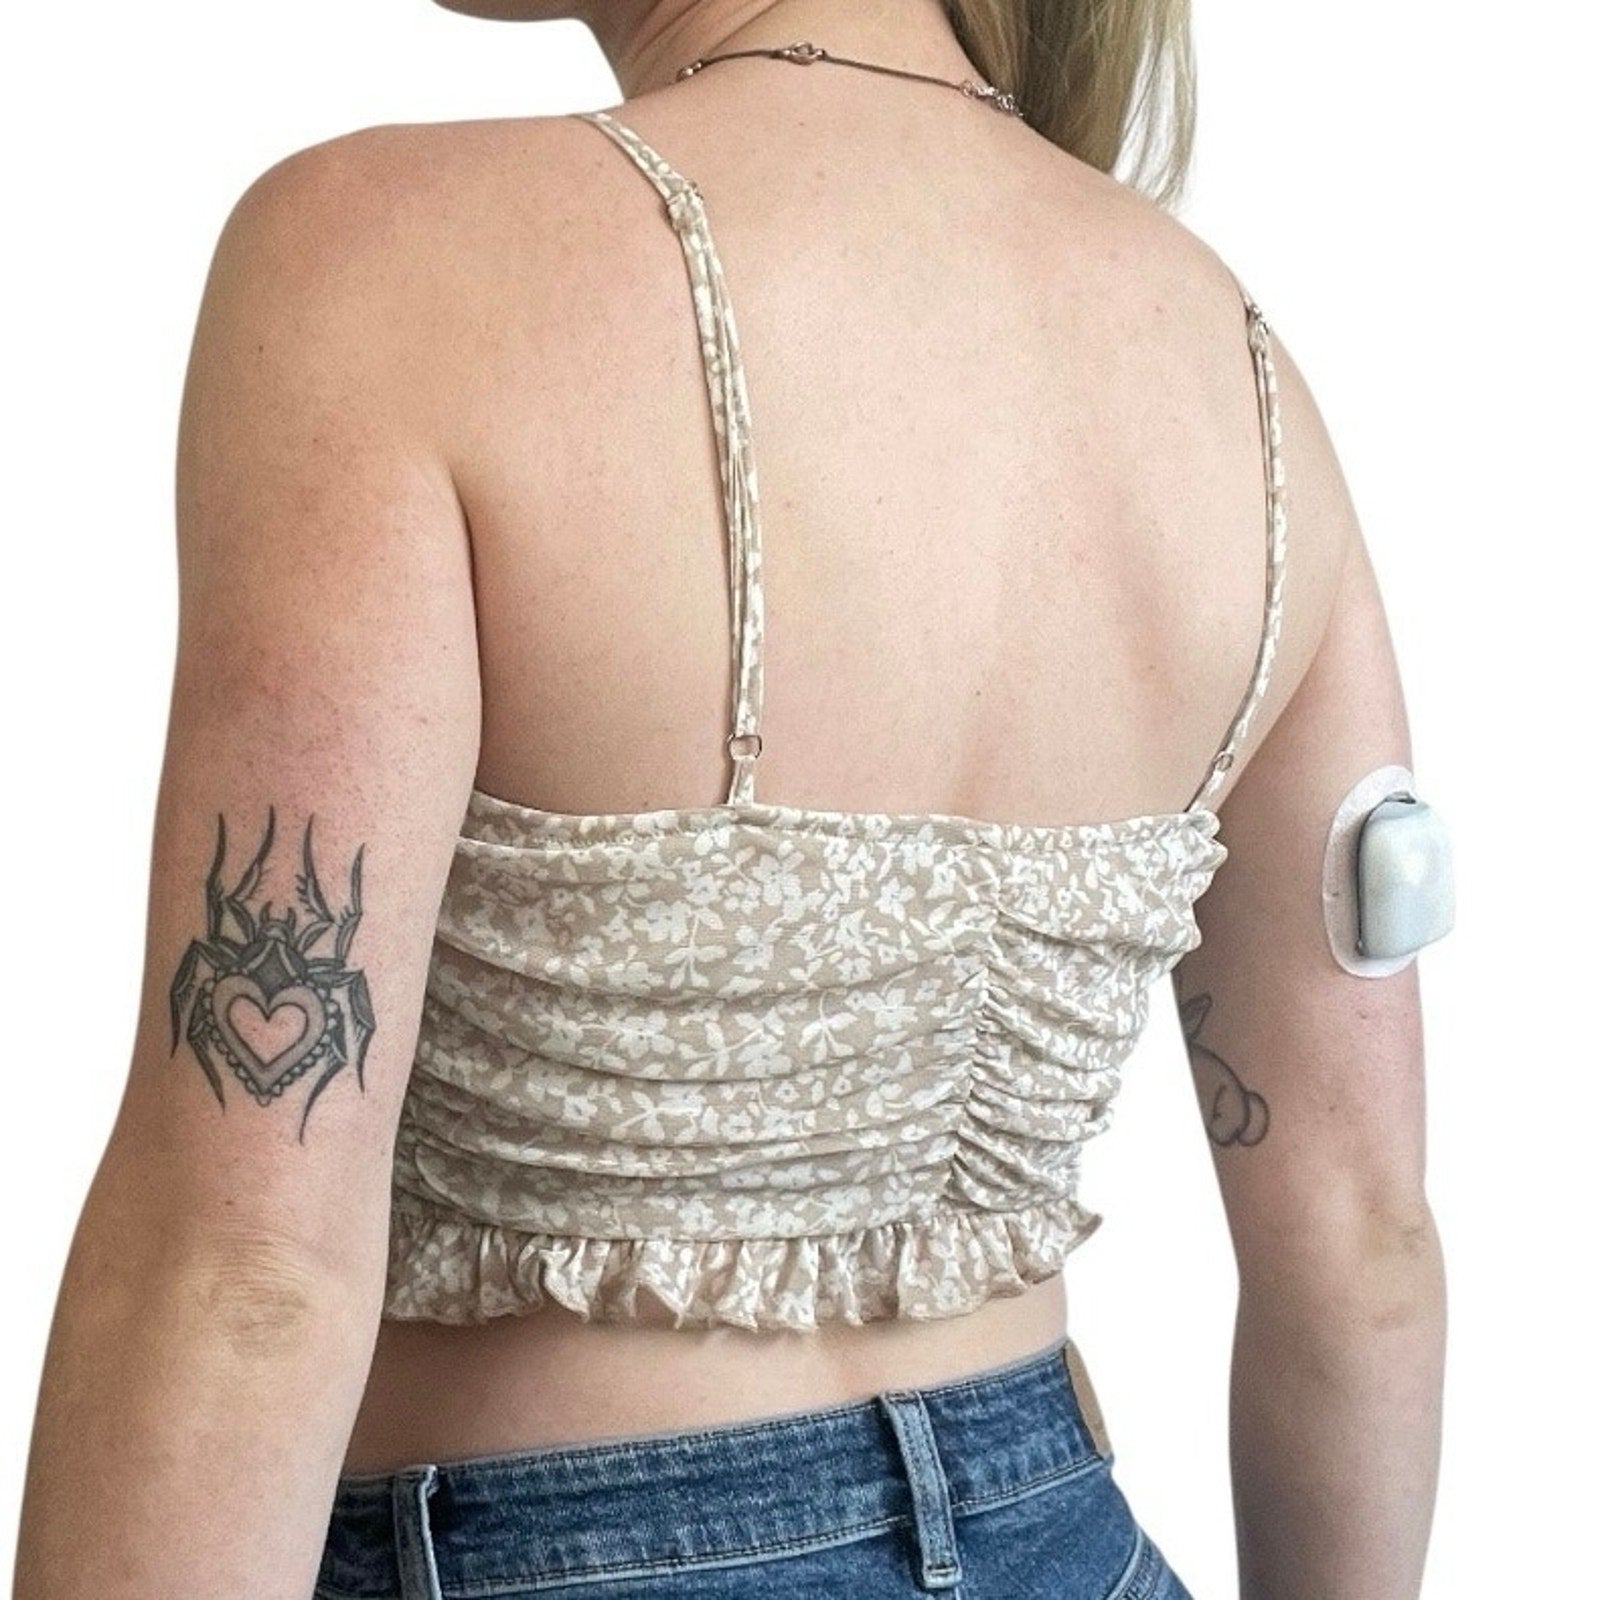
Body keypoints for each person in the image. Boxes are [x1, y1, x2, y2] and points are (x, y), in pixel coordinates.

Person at [13, 1, 1447, 1596]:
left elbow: (243, 1274)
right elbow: (1363, 1244)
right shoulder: (1243, 381)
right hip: (1069, 1538)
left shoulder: (382, 259)